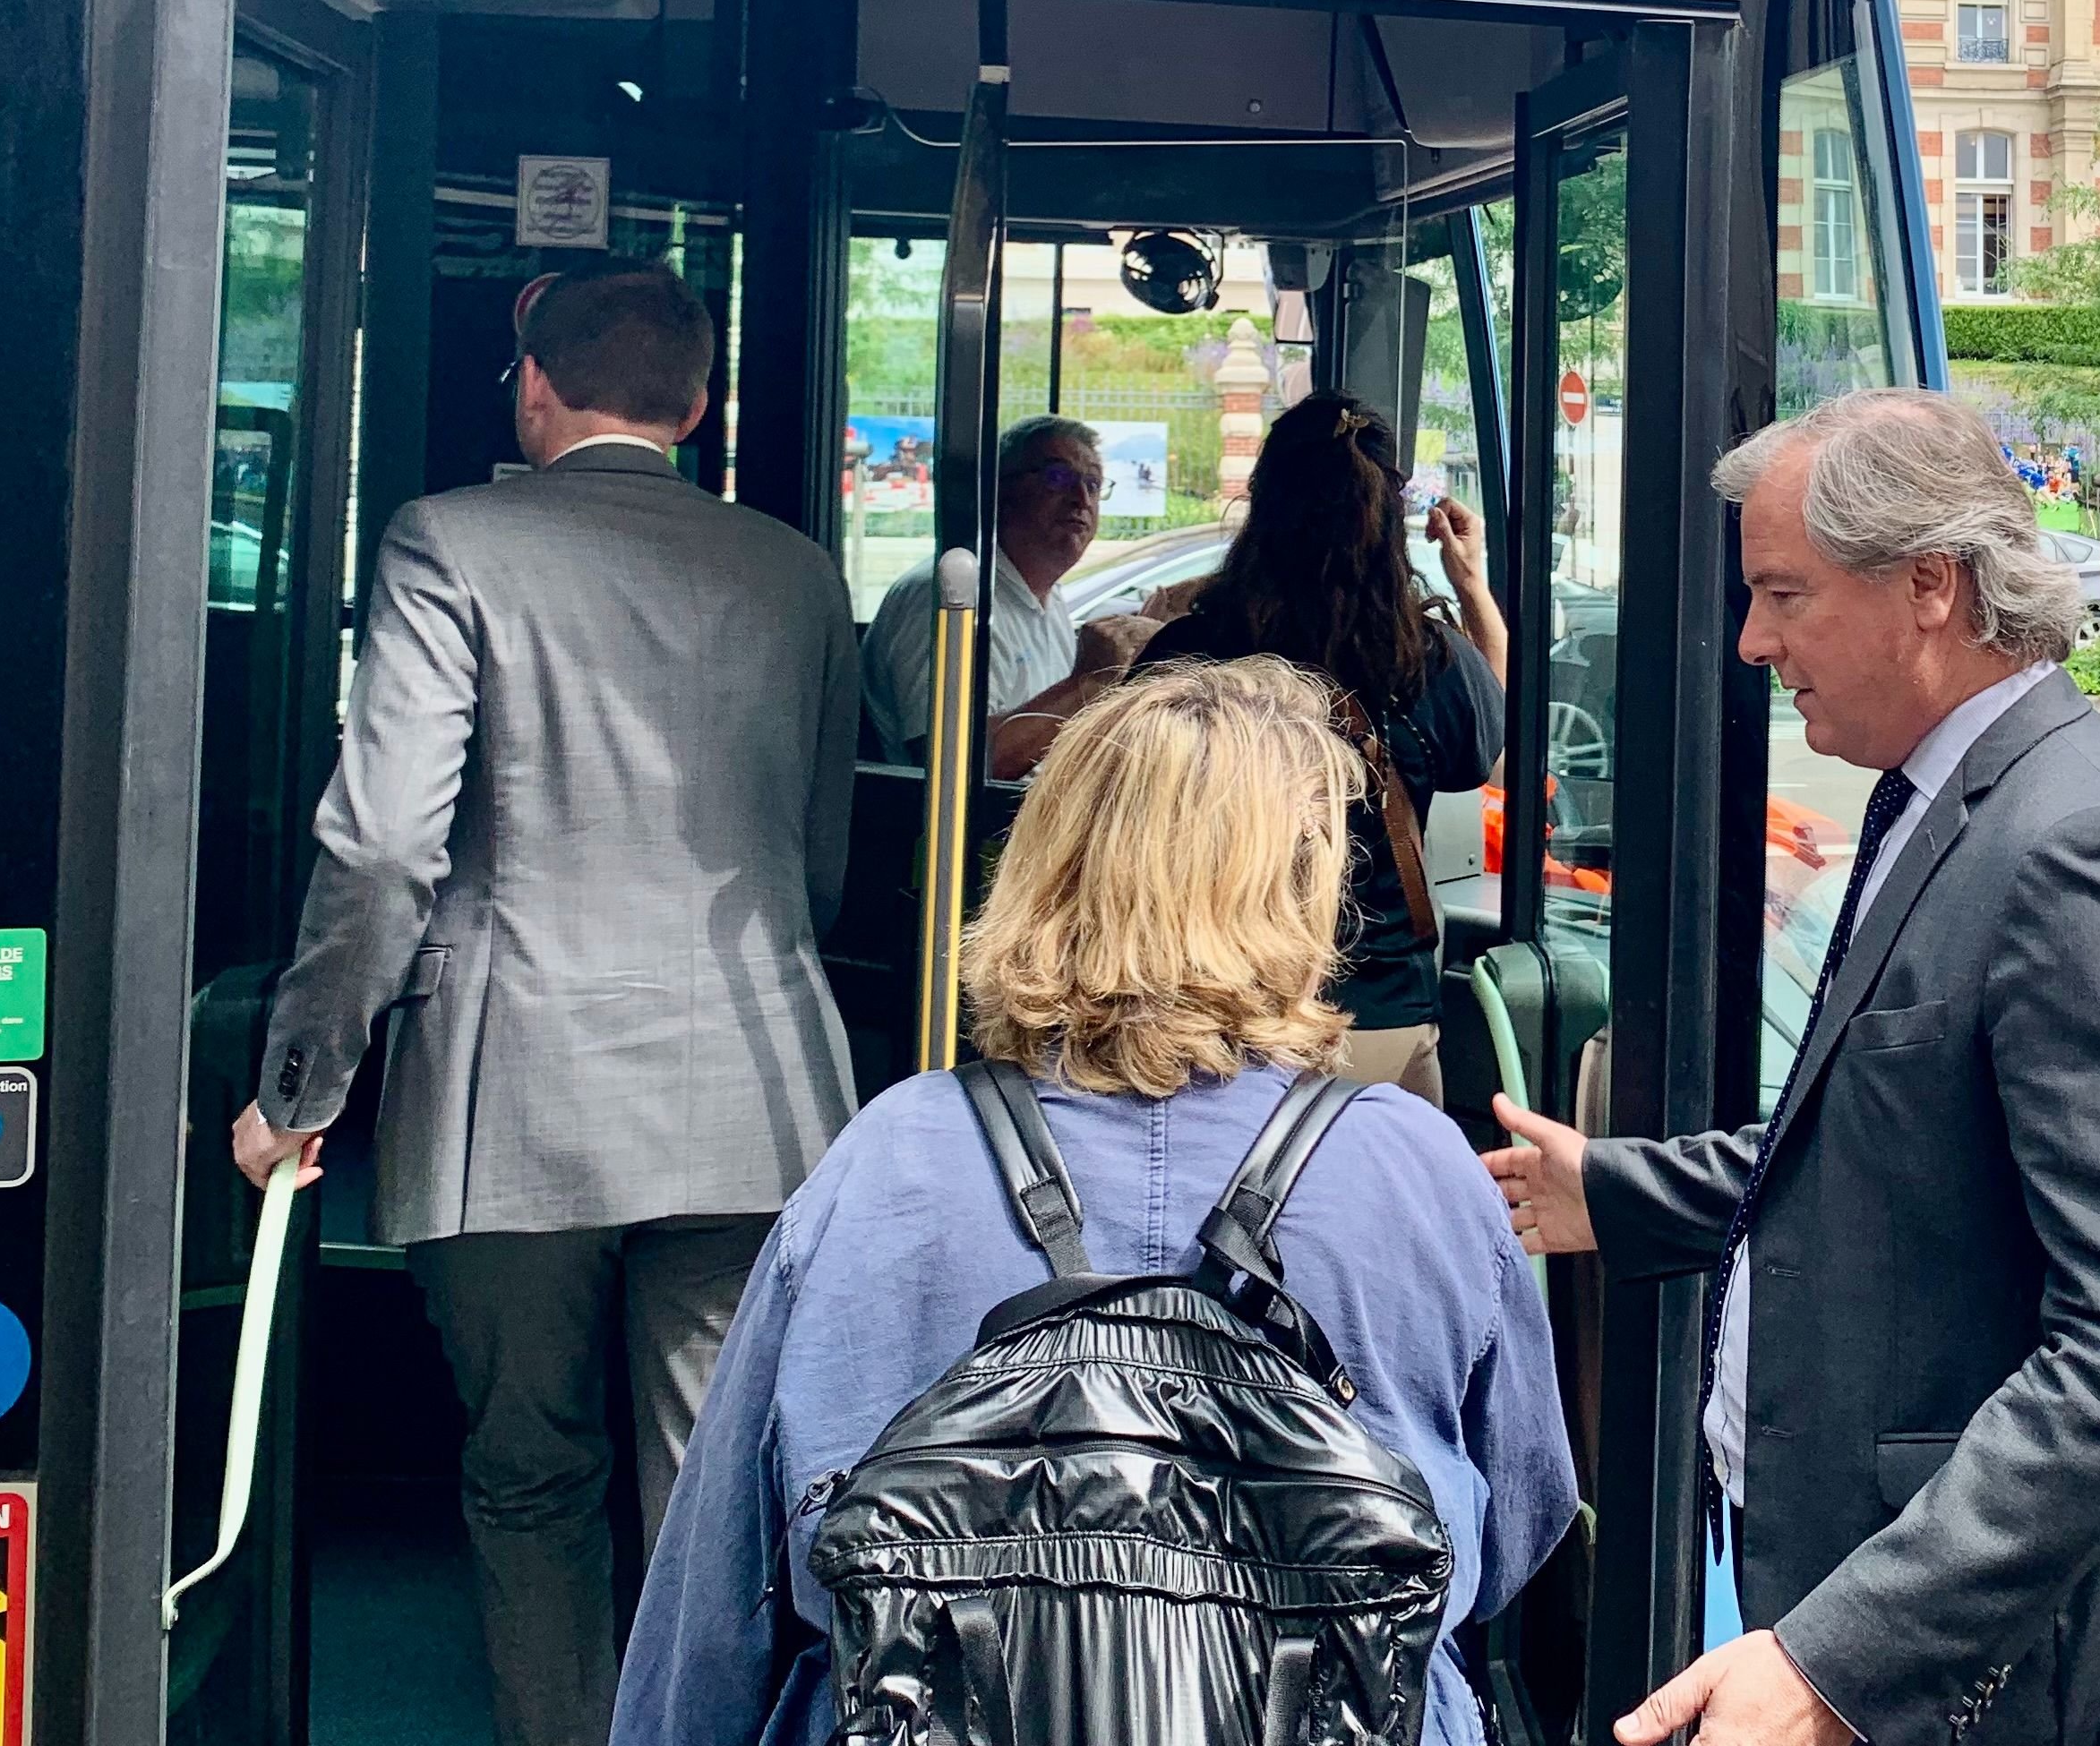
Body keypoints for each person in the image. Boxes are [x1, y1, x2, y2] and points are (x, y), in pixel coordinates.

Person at [1484, 386, 2100, 1746]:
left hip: (1995, 1673)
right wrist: (1618, 1189)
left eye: (1785, 595)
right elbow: (1888, 1153)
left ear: (1931, 588)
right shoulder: (1951, 792)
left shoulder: (2081, 851)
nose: (1751, 640)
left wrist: (1843, 1657)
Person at [616, 658, 1576, 1746]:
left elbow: (720, 1593)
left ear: (1046, 864)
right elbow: (1510, 1534)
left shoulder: (888, 1156)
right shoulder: (1415, 1165)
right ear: (1303, 885)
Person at [232, 261, 861, 1746]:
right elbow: (815, 853)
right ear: (699, 407)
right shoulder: (796, 568)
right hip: (753, 1089)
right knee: (715, 1491)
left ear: (532, 384)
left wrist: (303, 1087)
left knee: (529, 1474)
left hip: (509, 1088)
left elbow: (384, 843)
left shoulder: (448, 538)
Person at [1133, 390, 1508, 1103]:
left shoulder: (1189, 652)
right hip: (1382, 1019)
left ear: (1260, 504)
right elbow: (1492, 755)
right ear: (1389, 516)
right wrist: (1471, 583)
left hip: (1211, 1017)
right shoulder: (1426, 658)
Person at [861, 415, 1154, 777]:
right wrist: (1085, 683)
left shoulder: (1047, 596)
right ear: (1001, 493)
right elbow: (958, 770)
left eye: (1093, 485)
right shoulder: (948, 594)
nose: (1081, 499)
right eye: (1058, 478)